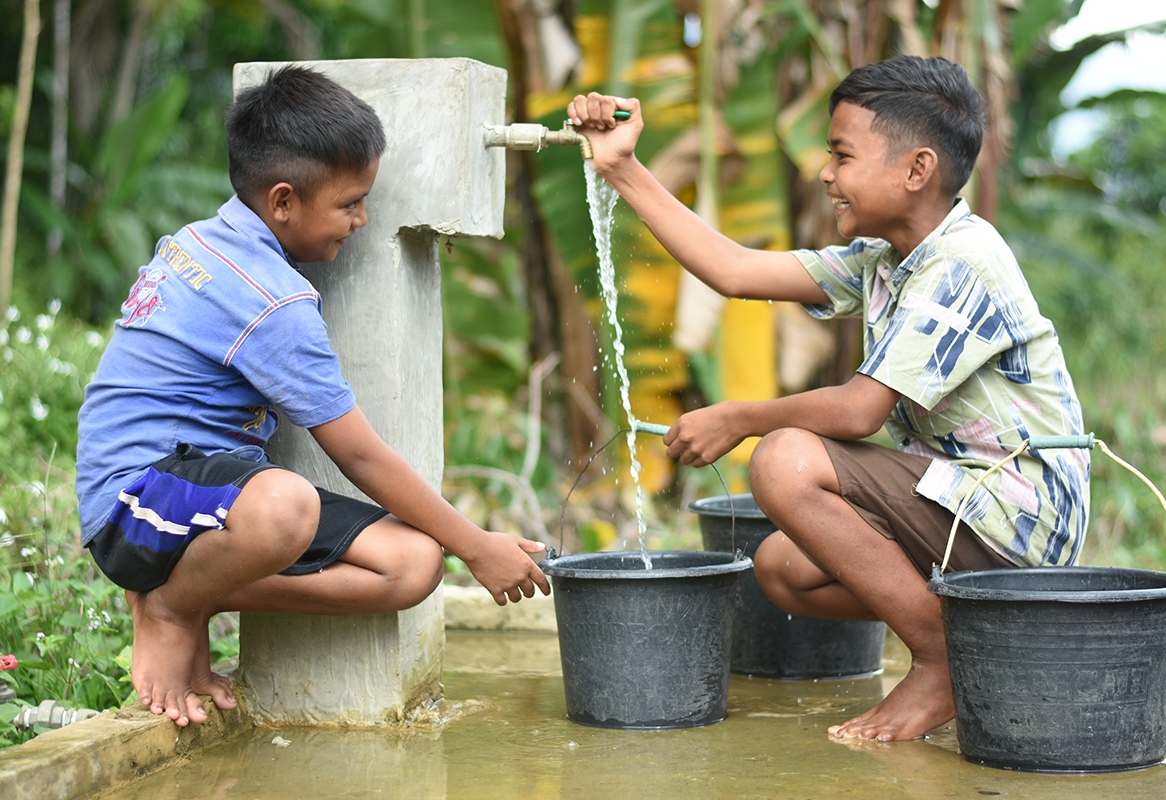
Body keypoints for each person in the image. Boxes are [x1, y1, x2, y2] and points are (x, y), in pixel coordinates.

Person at [569, 55, 1089, 741]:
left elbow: (858, 412)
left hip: (1023, 513)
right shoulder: (886, 260)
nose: (825, 173)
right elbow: (734, 270)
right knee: (783, 571)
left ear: (916, 169)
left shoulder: (963, 262)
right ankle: (984, 645)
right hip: (962, 502)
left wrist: (741, 418)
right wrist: (620, 167)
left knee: (784, 460)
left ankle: (941, 659)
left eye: (842, 155)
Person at [76, 66, 550, 729]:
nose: (361, 220)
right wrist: (476, 544)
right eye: (351, 202)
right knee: (285, 505)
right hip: (133, 503)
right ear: (282, 203)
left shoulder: (202, 239)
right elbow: (360, 456)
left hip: (207, 496)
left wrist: (451, 548)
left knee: (412, 567)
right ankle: (170, 607)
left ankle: (194, 592)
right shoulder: (271, 300)